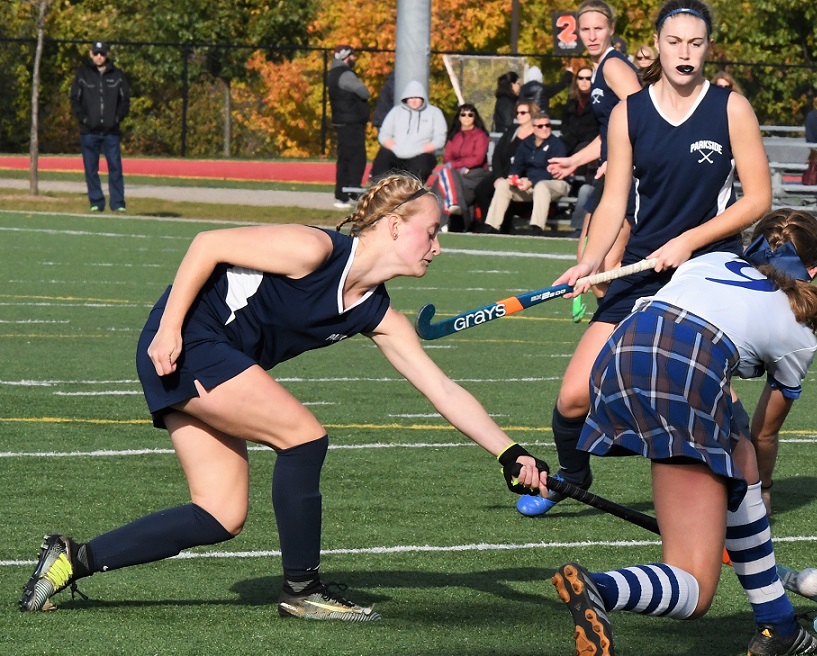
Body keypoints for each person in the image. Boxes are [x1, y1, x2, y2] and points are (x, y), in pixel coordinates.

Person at [18, 173, 550, 618]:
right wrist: (170, 328)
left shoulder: (377, 313)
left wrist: (509, 452)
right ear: (394, 225)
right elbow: (207, 244)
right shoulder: (315, 248)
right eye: (431, 232)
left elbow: (442, 389)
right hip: (190, 345)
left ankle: (74, 559)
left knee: (220, 514)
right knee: (304, 437)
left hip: (215, 362)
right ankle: (302, 590)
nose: (438, 246)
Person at [515, 209, 817, 656]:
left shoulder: (710, 262)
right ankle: (600, 588)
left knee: (736, 445)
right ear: (813, 269)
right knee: (696, 586)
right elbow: (767, 431)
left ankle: (777, 623)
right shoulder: (798, 327)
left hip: (617, 358)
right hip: (684, 376)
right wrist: (762, 489)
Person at [519, 0, 772, 519]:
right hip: (640, 267)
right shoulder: (628, 113)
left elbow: (757, 199)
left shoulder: (730, 108)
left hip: (708, 269)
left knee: (703, 398)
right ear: (656, 46)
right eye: (675, 43)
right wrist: (590, 262)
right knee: (572, 398)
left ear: (707, 47)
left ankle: (746, 492)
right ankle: (573, 474)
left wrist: (690, 241)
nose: (685, 54)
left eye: (696, 44)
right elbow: (614, 200)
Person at [546, 1, 644, 327]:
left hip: (627, 175)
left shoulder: (614, 66)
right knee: (593, 259)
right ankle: (616, 328)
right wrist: (574, 160)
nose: (591, 35)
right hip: (613, 170)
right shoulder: (600, 68)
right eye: (585, 29)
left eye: (598, 28)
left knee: (607, 265)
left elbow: (642, 114)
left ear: (611, 29)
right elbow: (608, 132)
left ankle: (622, 330)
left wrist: (620, 158)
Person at [480, 109, 570, 236]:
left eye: (547, 125)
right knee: (504, 184)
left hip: (556, 182)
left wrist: (531, 181)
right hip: (531, 182)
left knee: (541, 186)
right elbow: (517, 164)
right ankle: (492, 225)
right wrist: (514, 176)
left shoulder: (557, 145)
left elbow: (552, 171)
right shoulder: (526, 144)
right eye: (540, 126)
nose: (544, 128)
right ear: (533, 128)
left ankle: (536, 228)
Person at [70, 40, 130, 213]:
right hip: (89, 131)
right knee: (91, 168)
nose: (99, 57)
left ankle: (118, 203)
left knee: (115, 168)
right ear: (91, 54)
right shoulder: (83, 75)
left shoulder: (117, 75)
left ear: (107, 54)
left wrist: (116, 118)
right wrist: (84, 119)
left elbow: (125, 101)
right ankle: (96, 201)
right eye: (96, 53)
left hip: (111, 132)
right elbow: (75, 100)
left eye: (102, 53)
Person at [472, 99, 537, 232]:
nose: (519, 115)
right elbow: (497, 154)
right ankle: (488, 223)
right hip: (503, 173)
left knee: (507, 190)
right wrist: (498, 176)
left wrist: (512, 177)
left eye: (523, 112)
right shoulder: (512, 131)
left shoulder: (536, 135)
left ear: (532, 114)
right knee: (482, 190)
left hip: (520, 176)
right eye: (517, 112)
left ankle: (503, 226)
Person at [370, 80, 446, 182]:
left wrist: (421, 149)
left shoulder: (434, 113)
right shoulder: (396, 111)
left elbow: (440, 139)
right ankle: (379, 190)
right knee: (383, 159)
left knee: (419, 169)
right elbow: (384, 134)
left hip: (422, 153)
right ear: (406, 98)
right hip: (396, 150)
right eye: (411, 97)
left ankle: (411, 194)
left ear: (423, 98)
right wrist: (394, 147)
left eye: (417, 97)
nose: (414, 101)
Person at [327, 45, 371, 210]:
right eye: (353, 55)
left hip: (343, 121)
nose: (355, 58)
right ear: (346, 57)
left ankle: (345, 192)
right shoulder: (345, 75)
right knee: (355, 158)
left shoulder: (334, 74)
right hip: (351, 123)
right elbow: (363, 91)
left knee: (346, 157)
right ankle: (349, 192)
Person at [435, 104, 490, 230]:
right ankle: (452, 210)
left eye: (470, 115)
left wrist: (457, 165)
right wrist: (458, 168)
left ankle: (446, 219)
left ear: (475, 117)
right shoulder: (454, 135)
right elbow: (447, 157)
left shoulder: (480, 136)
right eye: (463, 114)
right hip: (456, 173)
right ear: (458, 117)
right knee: (445, 178)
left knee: (443, 180)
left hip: (475, 174)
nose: (466, 117)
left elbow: (478, 158)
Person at [560, 68, 599, 156]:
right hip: (570, 140)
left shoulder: (598, 100)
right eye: (580, 78)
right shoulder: (572, 99)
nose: (584, 81)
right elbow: (564, 121)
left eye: (588, 78)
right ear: (576, 80)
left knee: (580, 152)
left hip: (589, 142)